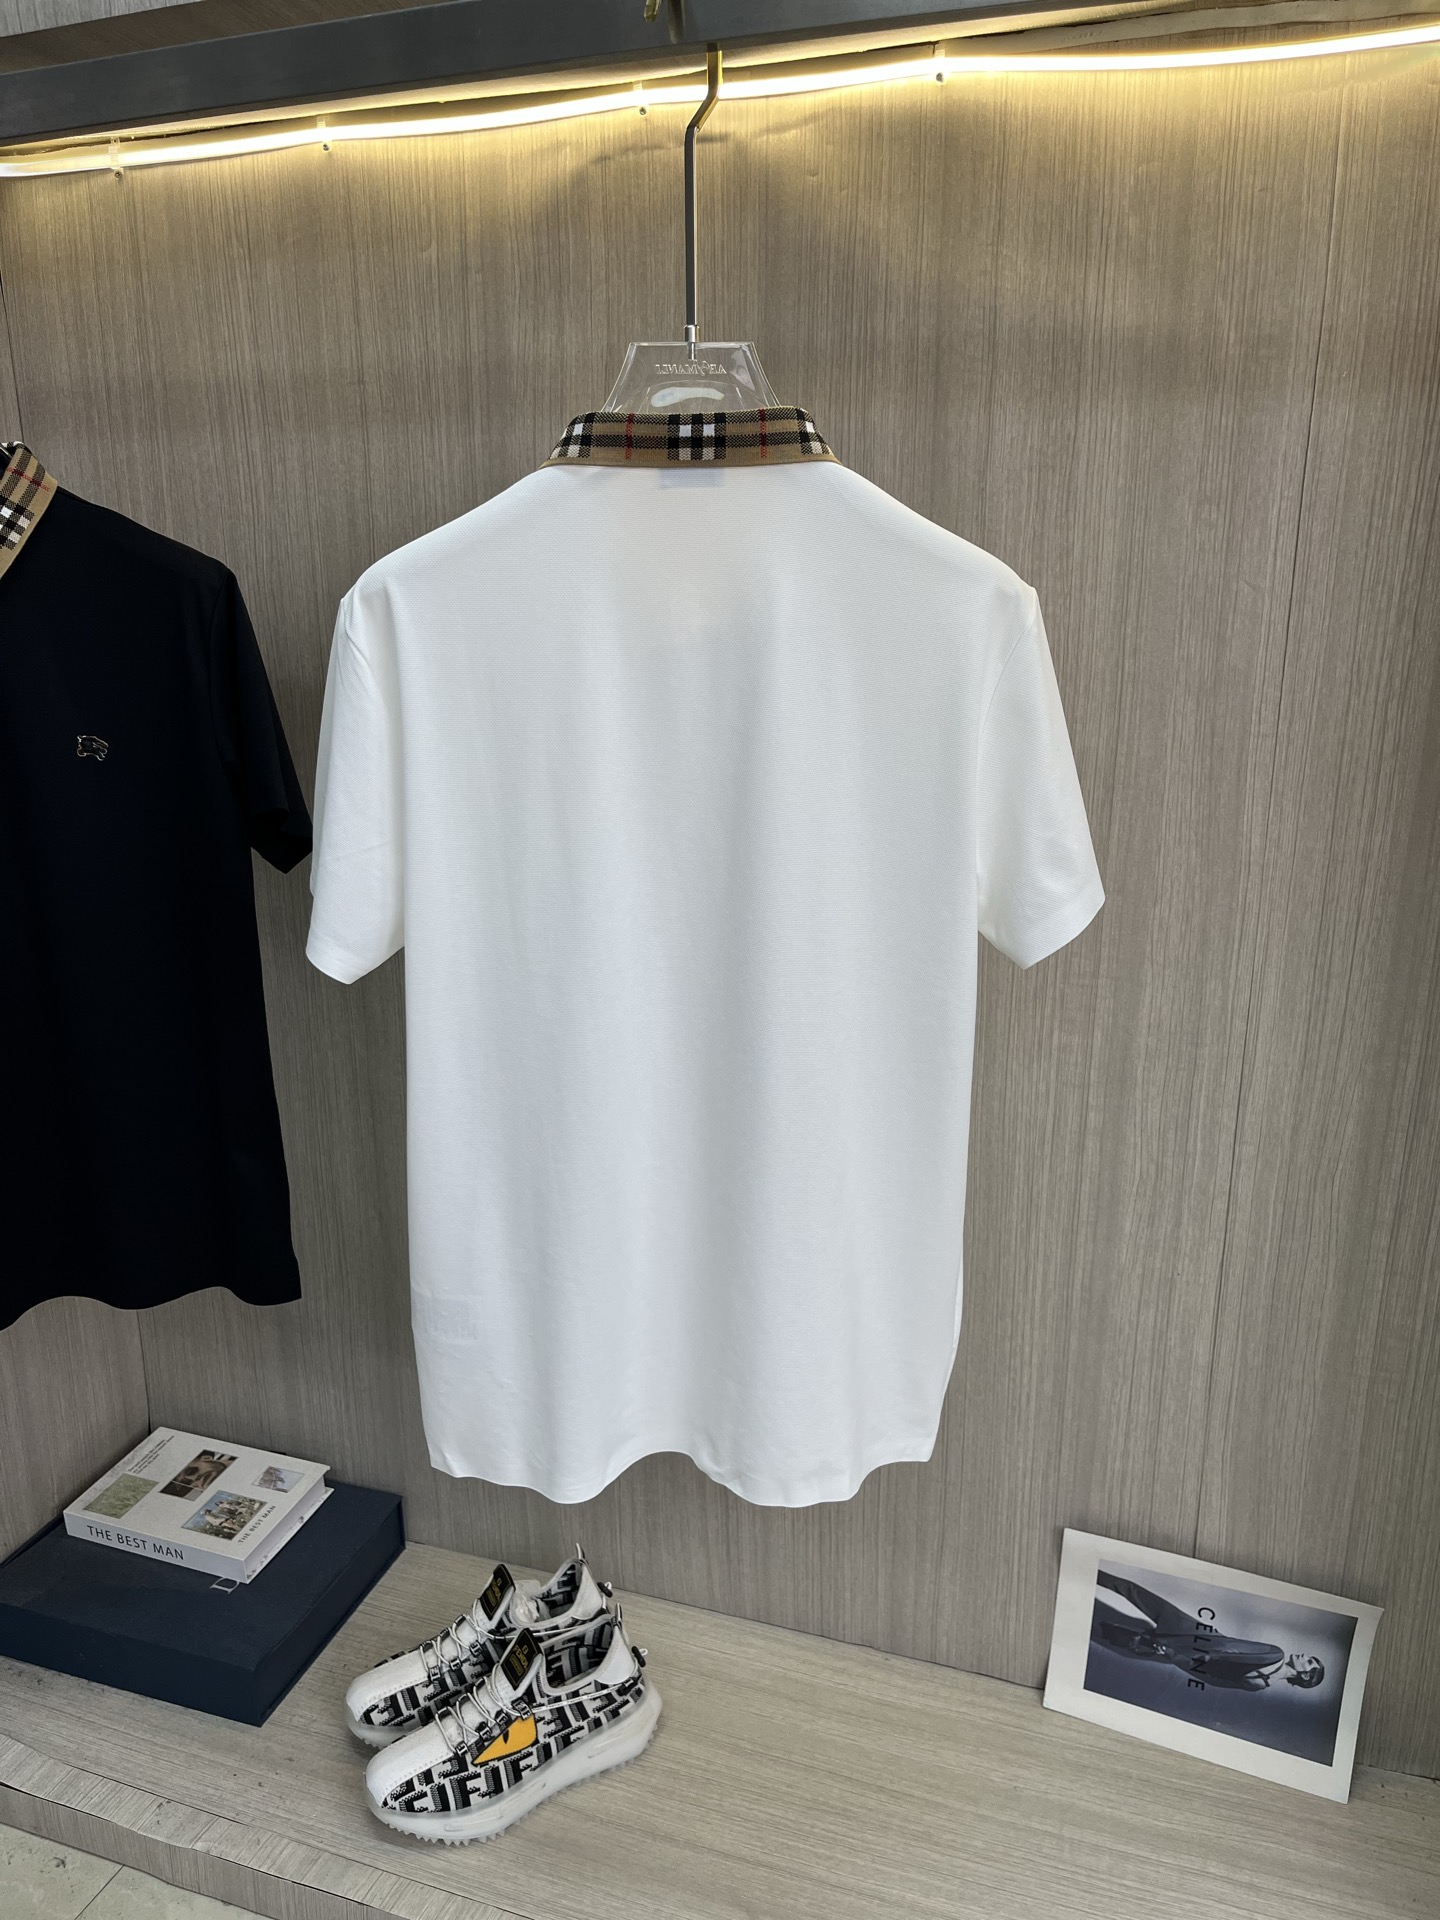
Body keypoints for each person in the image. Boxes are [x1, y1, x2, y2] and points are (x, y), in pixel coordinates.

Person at [1092, 1572, 1324, 1691]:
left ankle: (1086, 1569)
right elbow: (1211, 1679)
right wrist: (1173, 1655)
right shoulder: (1261, 1686)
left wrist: (1179, 1645)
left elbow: (1227, 1646)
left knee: (1131, 1591)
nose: (1305, 1656)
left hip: (1191, 1634)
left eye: (1309, 1662)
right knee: (1112, 1636)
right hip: (1181, 1655)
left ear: (1304, 1675)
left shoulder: (1277, 1655)